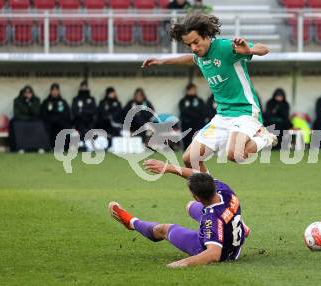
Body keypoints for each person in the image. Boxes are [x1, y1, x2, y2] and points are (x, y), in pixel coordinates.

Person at [142, 13, 276, 172]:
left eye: (196, 42)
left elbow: (264, 49)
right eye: (189, 44)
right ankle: (213, 193)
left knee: (235, 154)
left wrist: (249, 50)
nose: (193, 48)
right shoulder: (200, 56)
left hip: (245, 111)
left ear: (206, 36)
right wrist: (163, 61)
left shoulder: (225, 47)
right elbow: (189, 58)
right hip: (222, 116)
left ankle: (263, 137)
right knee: (190, 159)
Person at [108, 159, 250, 268]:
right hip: (228, 227)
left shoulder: (210, 219)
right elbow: (198, 176)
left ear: (198, 197)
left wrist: (182, 263)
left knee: (163, 229)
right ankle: (239, 226)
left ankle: (131, 222)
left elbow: (213, 254)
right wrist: (168, 168)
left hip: (221, 252)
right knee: (189, 206)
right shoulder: (224, 190)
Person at [10, 85, 50, 152]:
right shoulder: (17, 100)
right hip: (22, 121)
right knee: (17, 125)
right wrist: (27, 118)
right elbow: (17, 114)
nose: (27, 94)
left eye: (29, 93)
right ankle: (20, 147)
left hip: (33, 120)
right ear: (23, 93)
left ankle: (40, 147)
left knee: (40, 124)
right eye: (26, 92)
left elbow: (37, 112)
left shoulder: (36, 100)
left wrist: (30, 103)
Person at [41, 83, 72, 149]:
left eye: (56, 90)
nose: (54, 92)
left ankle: (64, 147)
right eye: (53, 90)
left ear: (59, 91)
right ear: (50, 91)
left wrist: (58, 120)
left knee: (67, 128)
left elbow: (67, 114)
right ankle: (48, 147)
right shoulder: (46, 102)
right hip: (49, 124)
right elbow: (43, 114)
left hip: (61, 123)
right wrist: (52, 119)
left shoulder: (63, 102)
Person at [179, 83, 207, 149]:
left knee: (197, 140)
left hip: (198, 123)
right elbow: (184, 111)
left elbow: (202, 110)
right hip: (187, 123)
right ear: (187, 90)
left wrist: (191, 109)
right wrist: (195, 110)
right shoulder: (183, 101)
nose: (193, 91)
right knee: (186, 140)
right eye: (191, 90)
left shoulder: (199, 100)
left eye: (194, 90)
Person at [71, 80, 97, 145]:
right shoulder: (76, 99)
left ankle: (87, 142)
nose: (84, 88)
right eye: (82, 87)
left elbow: (93, 110)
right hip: (79, 121)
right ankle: (82, 141)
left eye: (85, 87)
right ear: (80, 88)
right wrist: (85, 111)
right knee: (80, 122)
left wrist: (83, 111)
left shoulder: (91, 99)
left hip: (89, 120)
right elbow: (74, 111)